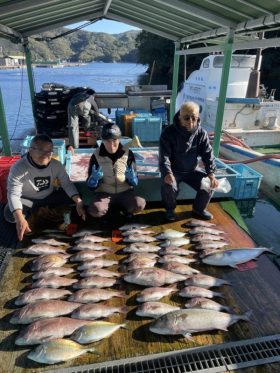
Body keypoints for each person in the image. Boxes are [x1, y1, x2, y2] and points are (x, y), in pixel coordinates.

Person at [4, 134, 86, 241]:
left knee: (77, 195)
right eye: (40, 150)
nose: (45, 154)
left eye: (49, 151)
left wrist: (78, 201)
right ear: (30, 150)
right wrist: (19, 219)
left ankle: (40, 213)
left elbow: (67, 184)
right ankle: (36, 214)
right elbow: (13, 194)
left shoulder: (56, 165)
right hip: (28, 199)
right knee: (10, 214)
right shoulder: (18, 167)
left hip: (48, 196)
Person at [159, 101, 218, 221]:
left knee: (209, 185)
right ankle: (170, 210)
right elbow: (164, 157)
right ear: (180, 117)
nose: (190, 121)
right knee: (168, 185)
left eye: (194, 118)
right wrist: (167, 173)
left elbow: (208, 154)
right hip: (174, 170)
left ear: (198, 118)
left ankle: (199, 209)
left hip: (192, 170)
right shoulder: (168, 133)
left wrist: (211, 173)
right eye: (186, 118)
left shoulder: (201, 133)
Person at [87, 123, 146, 221]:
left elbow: (135, 182)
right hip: (104, 193)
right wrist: (94, 180)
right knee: (95, 210)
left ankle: (126, 211)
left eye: (114, 140)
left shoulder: (128, 154)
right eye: (107, 141)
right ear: (102, 140)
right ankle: (107, 211)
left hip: (125, 192)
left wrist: (132, 178)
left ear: (119, 139)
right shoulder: (96, 156)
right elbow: (90, 186)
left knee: (140, 204)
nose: (111, 145)